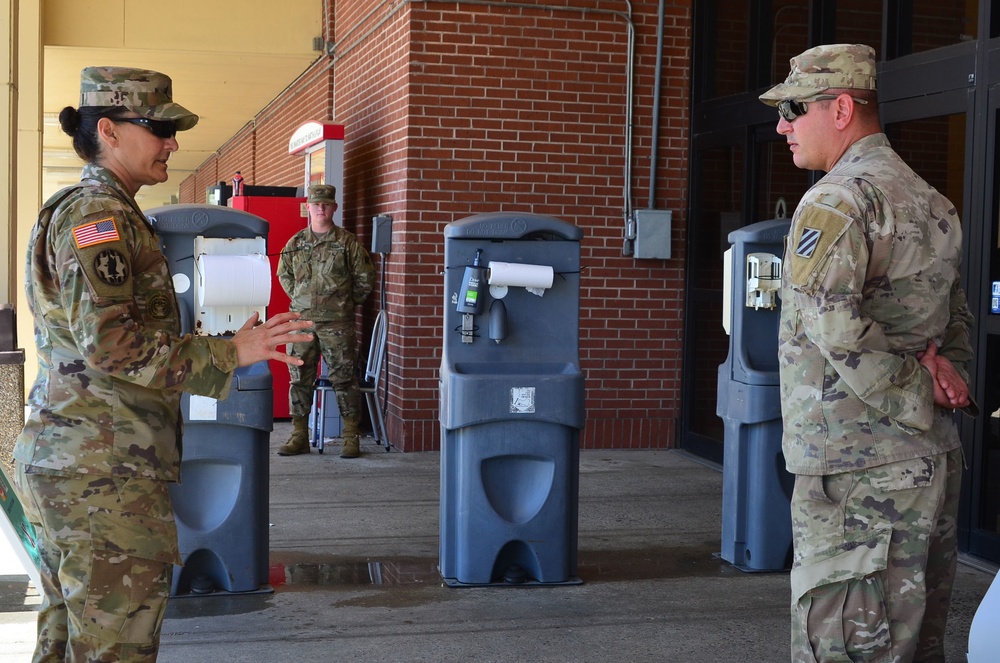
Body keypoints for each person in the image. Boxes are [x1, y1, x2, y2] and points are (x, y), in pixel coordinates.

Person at [12, 66, 314, 662]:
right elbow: (112, 346)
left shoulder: (98, 212)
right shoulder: (98, 218)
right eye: (158, 127)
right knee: (114, 648)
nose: (173, 142)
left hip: (77, 468)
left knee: (66, 642)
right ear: (109, 130)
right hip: (101, 479)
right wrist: (233, 352)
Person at [759, 44, 978, 662]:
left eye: (795, 108)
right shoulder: (933, 202)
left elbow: (835, 332)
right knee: (915, 642)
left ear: (843, 108)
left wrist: (921, 387)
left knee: (845, 646)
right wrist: (945, 378)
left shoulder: (837, 200)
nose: (782, 126)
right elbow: (955, 320)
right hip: (930, 462)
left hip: (858, 476)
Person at [276, 184, 375, 458]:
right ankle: (299, 435)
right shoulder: (295, 243)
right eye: (316, 203)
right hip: (302, 323)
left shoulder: (347, 243)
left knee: (344, 380)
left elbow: (365, 279)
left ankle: (350, 437)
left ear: (334, 207)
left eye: (326, 204)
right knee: (299, 379)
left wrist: (344, 303)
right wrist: (301, 299)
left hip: (337, 324)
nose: (321, 208)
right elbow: (283, 274)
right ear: (307, 207)